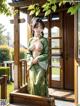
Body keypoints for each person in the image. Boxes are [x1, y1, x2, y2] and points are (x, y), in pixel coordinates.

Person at [26, 17, 48, 97]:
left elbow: (46, 54)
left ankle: (43, 101)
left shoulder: (44, 40)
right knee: (32, 83)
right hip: (32, 65)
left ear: (42, 29)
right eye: (37, 27)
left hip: (41, 65)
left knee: (39, 83)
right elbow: (28, 52)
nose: (39, 29)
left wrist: (37, 59)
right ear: (33, 28)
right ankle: (33, 102)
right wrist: (31, 59)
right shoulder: (30, 40)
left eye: (41, 27)